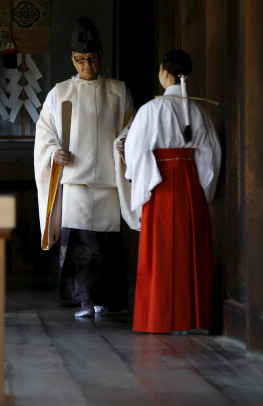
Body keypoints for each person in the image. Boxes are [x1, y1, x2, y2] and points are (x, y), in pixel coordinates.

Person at [34, 17, 138, 317]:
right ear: (72, 59)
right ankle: (82, 299)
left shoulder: (119, 91)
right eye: (80, 60)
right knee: (78, 244)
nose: (87, 66)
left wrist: (123, 142)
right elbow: (45, 133)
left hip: (108, 180)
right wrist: (54, 152)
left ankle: (106, 299)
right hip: (76, 181)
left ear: (101, 57)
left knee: (106, 245)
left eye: (92, 59)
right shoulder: (59, 92)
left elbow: (132, 128)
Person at [124, 49, 221, 334]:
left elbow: (136, 151)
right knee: (190, 247)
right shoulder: (198, 111)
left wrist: (142, 186)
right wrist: (204, 188)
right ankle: (191, 319)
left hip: (161, 184)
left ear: (165, 72)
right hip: (189, 184)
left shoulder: (152, 110)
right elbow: (210, 155)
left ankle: (160, 317)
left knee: (161, 252)